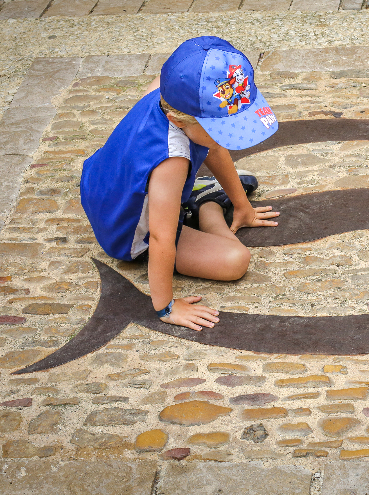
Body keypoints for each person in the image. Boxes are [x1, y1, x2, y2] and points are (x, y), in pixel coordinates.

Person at [81, 36, 281, 329]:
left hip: (103, 189)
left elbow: (213, 146)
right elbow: (160, 237)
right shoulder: (172, 162)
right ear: (181, 120)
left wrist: (244, 207)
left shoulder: (166, 92)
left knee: (203, 149)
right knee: (236, 260)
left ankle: (204, 197)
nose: (231, 136)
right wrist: (166, 307)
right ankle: (207, 207)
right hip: (127, 235)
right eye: (222, 128)